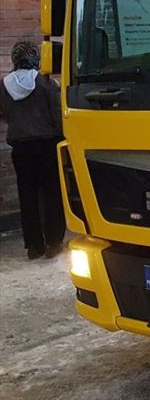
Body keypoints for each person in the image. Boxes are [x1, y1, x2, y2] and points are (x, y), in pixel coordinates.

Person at [0, 41, 66, 259]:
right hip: (47, 144)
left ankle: (34, 245)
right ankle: (54, 242)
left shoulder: (4, 85)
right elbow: (56, 113)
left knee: (26, 195)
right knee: (51, 193)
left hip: (20, 145)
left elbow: (5, 114)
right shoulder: (45, 82)